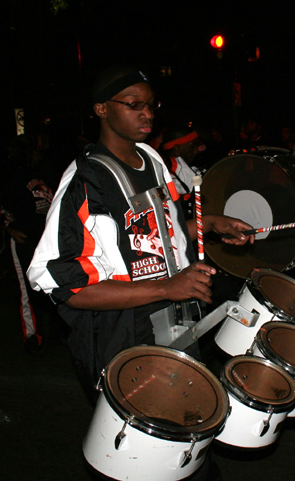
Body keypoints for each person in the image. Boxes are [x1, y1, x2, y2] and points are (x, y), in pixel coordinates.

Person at [27, 66, 253, 395]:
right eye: (134, 104)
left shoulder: (152, 160)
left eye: (150, 104)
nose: (146, 113)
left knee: (190, 433)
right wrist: (166, 288)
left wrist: (210, 224)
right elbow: (64, 284)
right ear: (101, 109)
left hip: (175, 321)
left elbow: (158, 237)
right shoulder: (86, 181)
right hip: (124, 336)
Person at [0, 135, 57, 355]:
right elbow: (1, 209)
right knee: (27, 290)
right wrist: (10, 230)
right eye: (35, 150)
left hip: (43, 240)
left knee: (50, 286)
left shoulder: (40, 177)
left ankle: (54, 333)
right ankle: (32, 335)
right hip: (24, 240)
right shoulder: (14, 178)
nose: (39, 154)